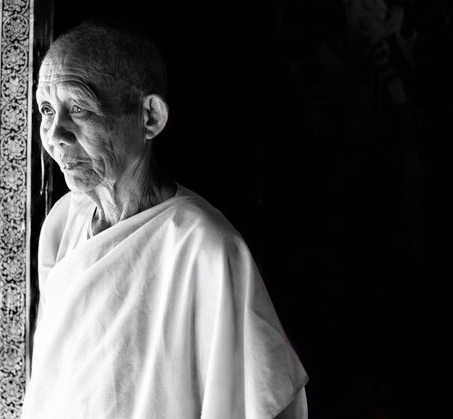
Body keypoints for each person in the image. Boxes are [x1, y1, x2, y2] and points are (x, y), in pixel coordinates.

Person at [22, 21, 308, 419]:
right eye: (47, 111)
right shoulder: (63, 223)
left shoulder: (204, 245)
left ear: (150, 117)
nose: (55, 134)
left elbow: (259, 399)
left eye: (80, 108)